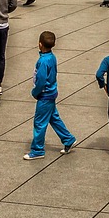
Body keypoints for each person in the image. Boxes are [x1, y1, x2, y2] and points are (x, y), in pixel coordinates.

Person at [24, 30, 77, 159]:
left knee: (39, 123)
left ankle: (37, 150)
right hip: (51, 93)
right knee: (53, 118)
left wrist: (35, 92)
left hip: (44, 95)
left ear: (40, 44)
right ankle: (68, 139)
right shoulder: (52, 57)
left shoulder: (42, 61)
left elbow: (41, 80)